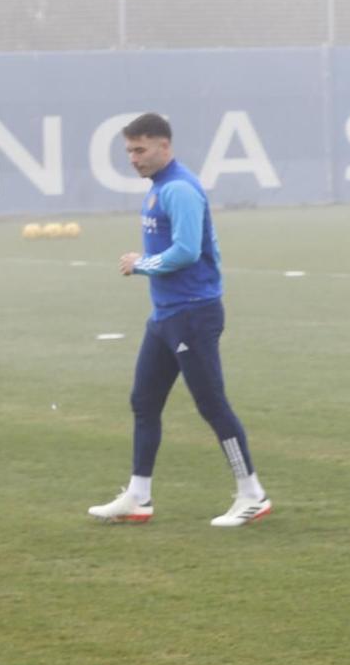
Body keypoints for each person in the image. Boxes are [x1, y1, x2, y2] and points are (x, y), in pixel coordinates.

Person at [86, 113, 270, 528]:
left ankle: (252, 494)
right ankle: (139, 496)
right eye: (129, 150)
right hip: (166, 316)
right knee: (144, 402)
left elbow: (187, 251)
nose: (133, 158)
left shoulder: (180, 189)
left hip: (193, 314)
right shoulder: (157, 189)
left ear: (164, 146)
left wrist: (142, 263)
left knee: (212, 404)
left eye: (140, 149)